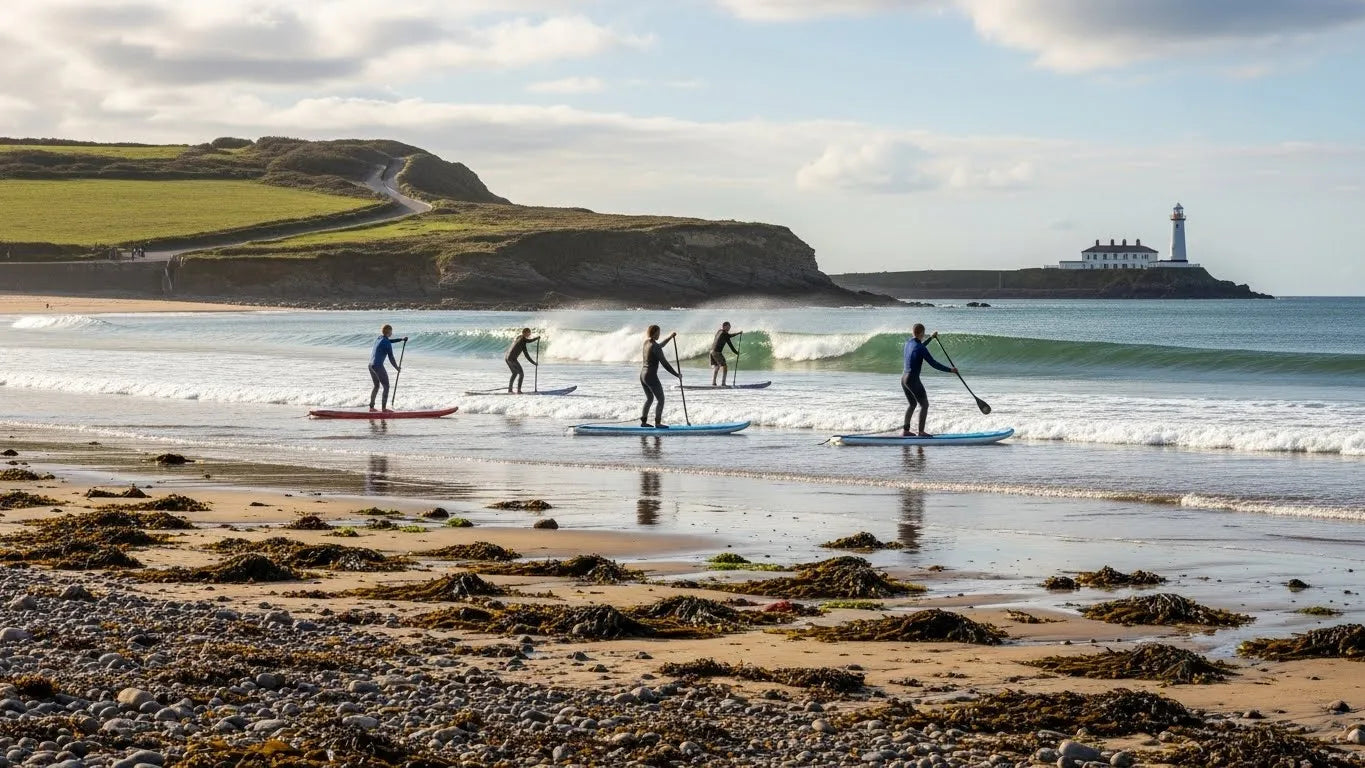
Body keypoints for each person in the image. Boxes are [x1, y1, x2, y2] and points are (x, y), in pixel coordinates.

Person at [901, 323, 955, 437]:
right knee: (924, 405)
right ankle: (921, 432)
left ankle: (905, 431)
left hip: (904, 379)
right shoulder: (920, 348)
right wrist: (950, 370)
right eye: (924, 334)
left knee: (912, 404)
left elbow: (920, 347)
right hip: (913, 379)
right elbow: (933, 364)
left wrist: (931, 338)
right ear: (921, 333)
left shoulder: (908, 343)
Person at [641, 325, 681, 428]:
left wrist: (670, 337)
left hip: (643, 375)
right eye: (658, 332)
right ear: (654, 333)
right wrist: (676, 374)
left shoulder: (646, 343)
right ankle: (658, 423)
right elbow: (665, 364)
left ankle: (644, 422)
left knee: (649, 399)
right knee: (661, 400)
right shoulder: (655, 346)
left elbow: (660, 345)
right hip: (651, 376)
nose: (659, 334)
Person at [368, 324, 408, 411]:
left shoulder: (379, 338)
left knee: (376, 386)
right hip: (378, 366)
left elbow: (389, 341)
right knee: (386, 386)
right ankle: (384, 409)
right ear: (389, 332)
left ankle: (371, 407)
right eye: (391, 331)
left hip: (371, 365)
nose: (392, 333)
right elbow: (391, 358)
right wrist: (397, 368)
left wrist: (401, 339)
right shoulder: (387, 343)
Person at [505, 327, 540, 394]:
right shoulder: (523, 341)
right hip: (512, 359)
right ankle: (519, 390)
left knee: (515, 373)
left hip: (507, 358)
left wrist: (536, 339)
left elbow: (528, 341)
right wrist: (534, 363)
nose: (529, 335)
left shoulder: (519, 338)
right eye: (528, 333)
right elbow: (527, 355)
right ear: (524, 333)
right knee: (521, 373)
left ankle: (510, 390)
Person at [709, 321, 743, 386]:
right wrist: (738, 333)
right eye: (728, 326)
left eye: (730, 326)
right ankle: (723, 383)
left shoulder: (719, 332)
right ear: (724, 326)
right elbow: (730, 337)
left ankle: (713, 382)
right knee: (725, 366)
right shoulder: (724, 334)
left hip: (711, 351)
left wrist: (736, 352)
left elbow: (730, 344)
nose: (729, 328)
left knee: (717, 367)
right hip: (717, 352)